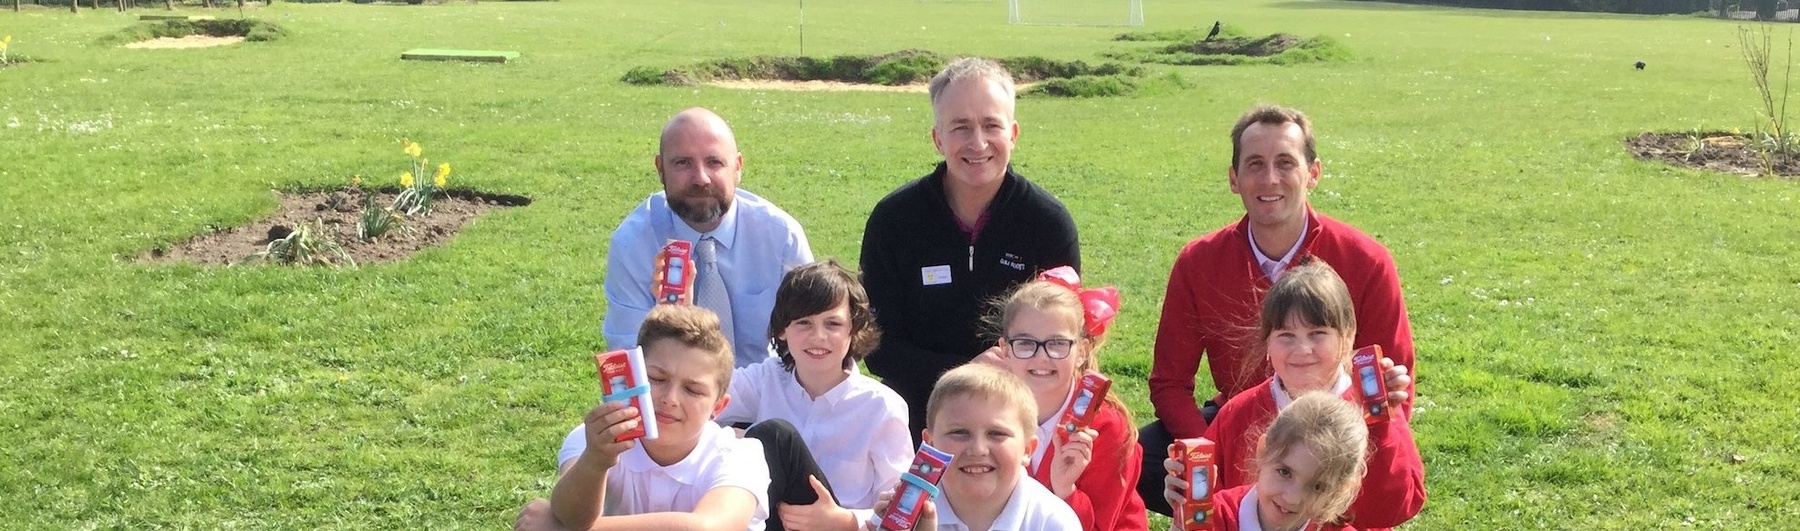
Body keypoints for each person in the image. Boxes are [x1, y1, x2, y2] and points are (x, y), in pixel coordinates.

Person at [1139, 104, 1416, 514]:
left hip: (1333, 427)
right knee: (1135, 455)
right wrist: (1212, 450)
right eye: (1255, 164)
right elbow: (1169, 383)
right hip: (1240, 418)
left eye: (1285, 163)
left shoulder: (1367, 260)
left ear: (1313, 173)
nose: (1269, 179)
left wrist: (1337, 450)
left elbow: (1392, 387)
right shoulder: (1198, 261)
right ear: (1234, 179)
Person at [861, 57, 1081, 439]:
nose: (978, 143)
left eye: (991, 125)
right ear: (938, 138)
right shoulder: (895, 220)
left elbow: (1067, 343)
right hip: (921, 419)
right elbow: (878, 346)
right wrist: (964, 370)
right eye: (961, 127)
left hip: (1019, 422)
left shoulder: (1047, 224)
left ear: (1013, 133)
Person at [1200, 262, 1424, 529]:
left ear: (1347, 337)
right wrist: (1186, 493)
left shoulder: (1373, 411)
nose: (1303, 349)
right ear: (1267, 343)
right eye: (1286, 335)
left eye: (1317, 334)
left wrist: (1380, 426)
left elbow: (1395, 508)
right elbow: (1207, 506)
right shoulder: (1238, 413)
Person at [517, 304, 771, 531]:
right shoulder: (596, 438)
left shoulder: (741, 455)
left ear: (718, 407)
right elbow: (571, 515)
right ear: (633, 376)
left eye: (692, 390)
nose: (670, 398)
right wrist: (596, 460)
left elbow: (707, 528)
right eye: (657, 379)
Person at [603, 107, 814, 368]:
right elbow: (629, 359)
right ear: (660, 169)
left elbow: (815, 340)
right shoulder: (633, 243)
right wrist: (668, 319)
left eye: (714, 162)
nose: (700, 178)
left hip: (767, 397)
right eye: (683, 163)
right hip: (676, 398)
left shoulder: (781, 237)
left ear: (737, 168)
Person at [716, 261, 913, 531]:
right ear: (782, 330)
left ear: (853, 331)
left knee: (775, 436)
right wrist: (732, 438)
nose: (818, 336)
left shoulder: (881, 406)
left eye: (832, 324)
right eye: (804, 323)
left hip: (838, 526)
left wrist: (844, 520)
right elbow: (700, 398)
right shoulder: (766, 378)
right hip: (769, 522)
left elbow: (903, 509)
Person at [972, 267, 1146, 530]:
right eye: (1026, 343)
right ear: (1005, 350)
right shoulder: (986, 412)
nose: (1041, 357)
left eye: (1057, 344)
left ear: (1082, 351)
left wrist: (1067, 490)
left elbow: (1101, 525)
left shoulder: (1106, 426)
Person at [875, 363, 1082, 530]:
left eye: (997, 434)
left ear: (1027, 450)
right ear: (930, 444)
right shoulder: (903, 513)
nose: (978, 449)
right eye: (959, 432)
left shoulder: (1053, 522)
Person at [1162, 393, 1369, 531]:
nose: (1293, 498)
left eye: (1317, 486)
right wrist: (1182, 524)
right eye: (1285, 472)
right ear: (1263, 451)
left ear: (1341, 490)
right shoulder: (1212, 518)